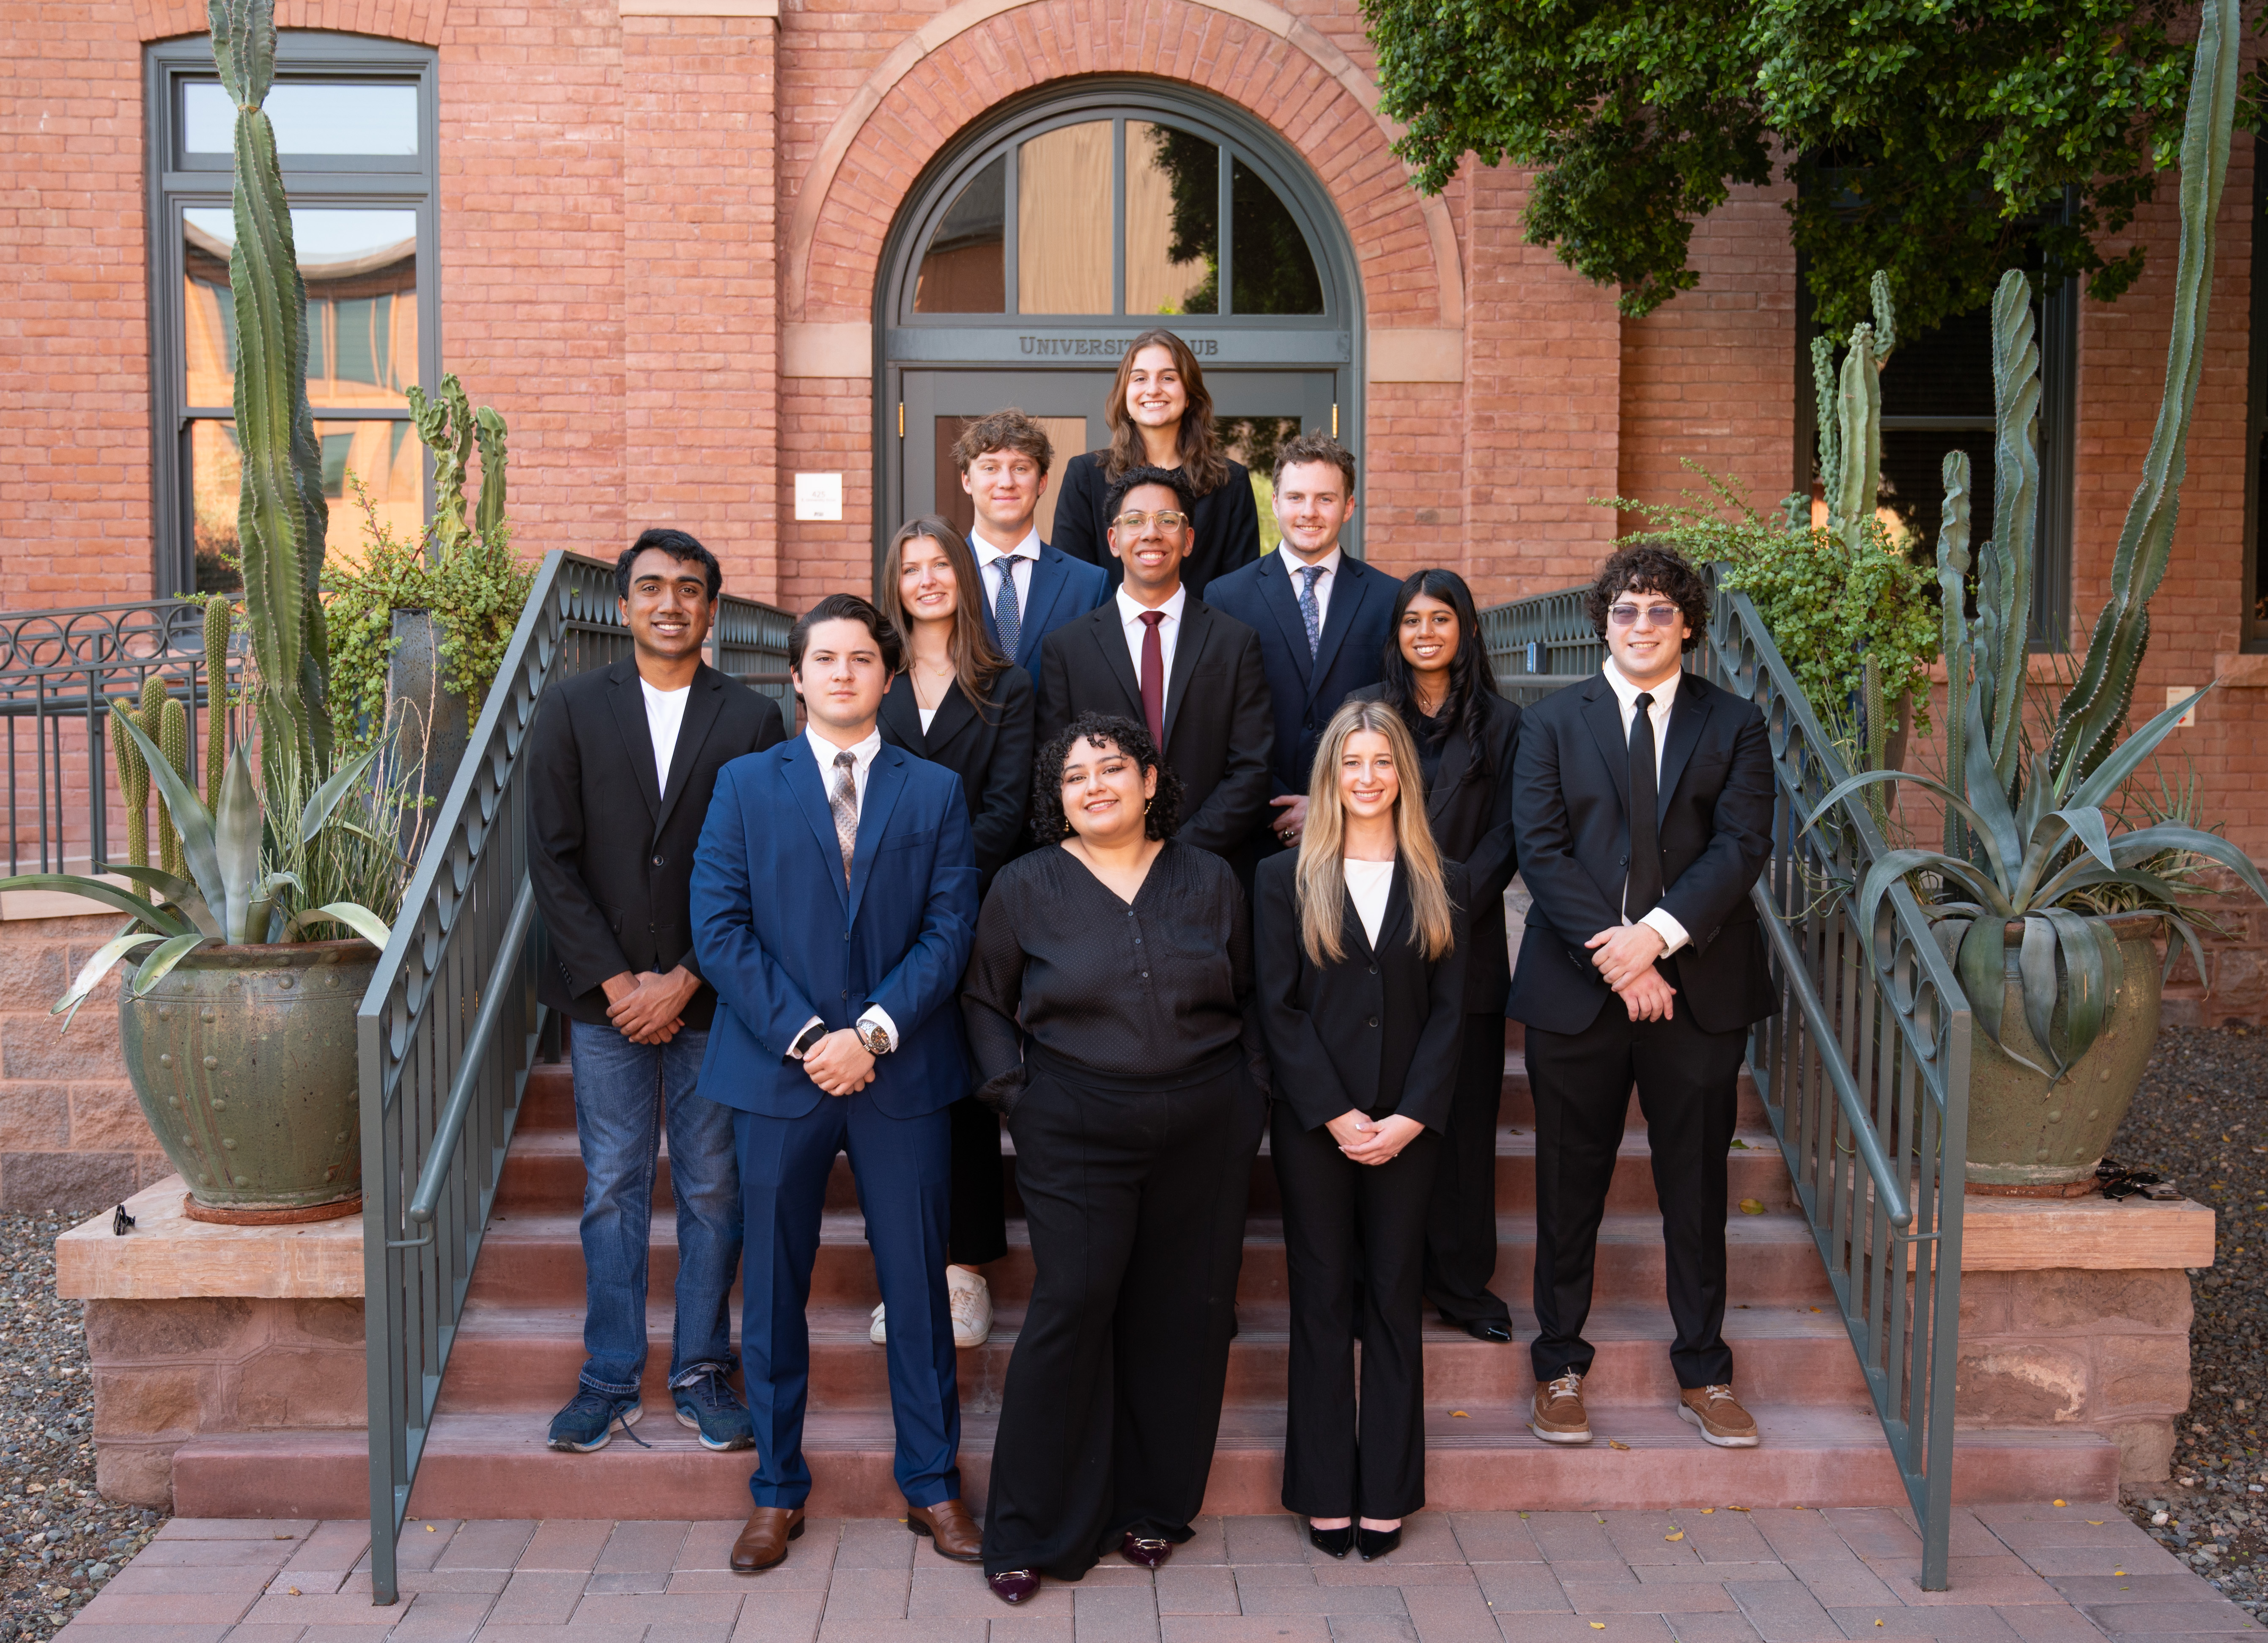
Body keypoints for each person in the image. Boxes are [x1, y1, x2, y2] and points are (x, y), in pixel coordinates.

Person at [689, 593, 984, 1571]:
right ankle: (776, 1489)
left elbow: (949, 931)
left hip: (901, 1073)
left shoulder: (934, 791)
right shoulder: (742, 784)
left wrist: (874, 1031)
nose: (845, 672)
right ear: (797, 674)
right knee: (771, 1290)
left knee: (918, 1286)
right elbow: (720, 929)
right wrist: (815, 1034)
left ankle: (932, 1484)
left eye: (863, 657)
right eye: (827, 657)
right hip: (783, 1073)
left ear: (888, 678)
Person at [962, 712, 1269, 1605]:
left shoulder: (1209, 877)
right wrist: (1018, 1095)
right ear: (1056, 800)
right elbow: (983, 1000)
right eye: (1072, 777)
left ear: (1147, 780)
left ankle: (1153, 1506)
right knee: (1072, 1305)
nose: (1093, 786)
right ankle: (1025, 1527)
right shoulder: (1024, 884)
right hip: (1074, 1123)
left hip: (1207, 1123)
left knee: (1185, 1313)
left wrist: (1247, 1089)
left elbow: (1249, 993)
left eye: (1110, 769)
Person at [1507, 543, 1776, 1451]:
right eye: (1624, 610)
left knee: (1694, 1187)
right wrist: (1623, 960)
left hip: (1696, 994)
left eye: (1659, 610)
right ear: (1602, 622)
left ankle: (1702, 1369)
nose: (1640, 625)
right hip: (1575, 992)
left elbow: (1737, 848)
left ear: (1687, 625)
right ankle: (1556, 1365)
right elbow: (1540, 850)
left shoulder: (1733, 724)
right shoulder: (1547, 725)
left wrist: (1655, 938)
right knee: (1564, 1183)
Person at [526, 528, 787, 1456]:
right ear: (624, 605)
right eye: (650, 587)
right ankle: (607, 1374)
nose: (669, 602)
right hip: (603, 1005)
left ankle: (702, 1368)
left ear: (711, 608)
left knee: (714, 1187)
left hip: (711, 999)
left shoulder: (752, 718)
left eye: (688, 588)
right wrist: (617, 981)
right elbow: (551, 862)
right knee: (611, 1186)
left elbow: (762, 864)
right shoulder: (567, 708)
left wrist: (683, 977)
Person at [1256, 700, 1467, 1565]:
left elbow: (1453, 1014)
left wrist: (1409, 1115)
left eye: (1383, 762)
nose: (1368, 777)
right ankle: (1320, 1488)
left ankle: (1384, 1488)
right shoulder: (1282, 879)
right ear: (1330, 776)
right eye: (1352, 763)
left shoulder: (1440, 877)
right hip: (1317, 1124)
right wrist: (1336, 1114)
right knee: (1319, 1299)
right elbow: (1275, 1006)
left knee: (1389, 1295)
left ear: (1402, 777)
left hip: (1408, 1127)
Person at [871, 515, 1037, 1350]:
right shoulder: (873, 678)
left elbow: (1008, 809)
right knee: (897, 1093)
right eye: (912, 568)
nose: (928, 580)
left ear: (963, 578)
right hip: (879, 918)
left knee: (967, 1093)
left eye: (941, 565)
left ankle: (965, 1271)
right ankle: (904, 1266)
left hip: (972, 917)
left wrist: (936, 887)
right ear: (894, 583)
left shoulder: (1006, 685)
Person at [1352, 569, 1523, 1344]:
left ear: (1466, 629)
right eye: (1411, 619)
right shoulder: (1367, 714)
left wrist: (1443, 904)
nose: (1425, 632)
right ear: (1394, 633)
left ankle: (1460, 1280)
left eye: (1441, 618)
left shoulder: (1507, 724)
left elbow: (1511, 834)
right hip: (1370, 946)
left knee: (1460, 1121)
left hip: (1465, 938)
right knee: (1383, 1111)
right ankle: (1380, 1279)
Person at [1036, 466, 1274, 863]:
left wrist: (1179, 852)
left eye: (1168, 521)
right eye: (1134, 521)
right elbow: (1056, 769)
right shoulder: (1066, 649)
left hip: (1209, 867)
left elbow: (1252, 769)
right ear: (1114, 540)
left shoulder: (1235, 642)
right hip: (1101, 869)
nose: (1151, 534)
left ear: (1188, 539)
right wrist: (1120, 850)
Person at [1206, 434, 1398, 855]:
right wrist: (1278, 805)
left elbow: (1394, 713)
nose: (1308, 512)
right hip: (1256, 828)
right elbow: (1218, 718)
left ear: (1348, 506)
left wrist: (1330, 804)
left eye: (1324, 499)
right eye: (1295, 497)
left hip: (1359, 826)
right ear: (1274, 503)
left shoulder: (1388, 598)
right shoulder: (1225, 596)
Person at [1052, 328, 1263, 601]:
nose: (1153, 389)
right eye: (1140, 378)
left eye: (1168, 378)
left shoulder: (1230, 481)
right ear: (1125, 395)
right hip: (1106, 640)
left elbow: (1240, 593)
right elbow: (1073, 587)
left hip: (1205, 641)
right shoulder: (1085, 476)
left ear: (1189, 395)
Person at [955, 410, 1111, 691]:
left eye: (1020, 468)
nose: (1006, 482)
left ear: (1042, 482)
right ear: (967, 480)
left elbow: (1101, 688)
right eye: (990, 468)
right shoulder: (941, 578)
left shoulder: (1089, 584)